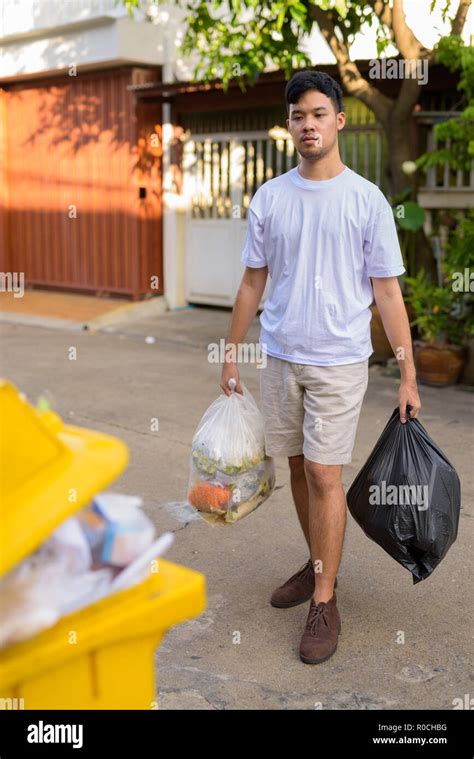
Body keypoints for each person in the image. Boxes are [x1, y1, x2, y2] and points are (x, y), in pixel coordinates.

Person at [220, 70, 421, 665]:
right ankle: (316, 567)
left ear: (338, 119)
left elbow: (388, 293)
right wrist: (231, 350)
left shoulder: (366, 200)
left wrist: (408, 375)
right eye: (296, 116)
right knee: (301, 470)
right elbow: (253, 280)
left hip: (338, 362)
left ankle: (325, 599)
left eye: (316, 113)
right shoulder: (271, 197)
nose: (307, 124)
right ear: (289, 126)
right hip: (281, 356)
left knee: (327, 477)